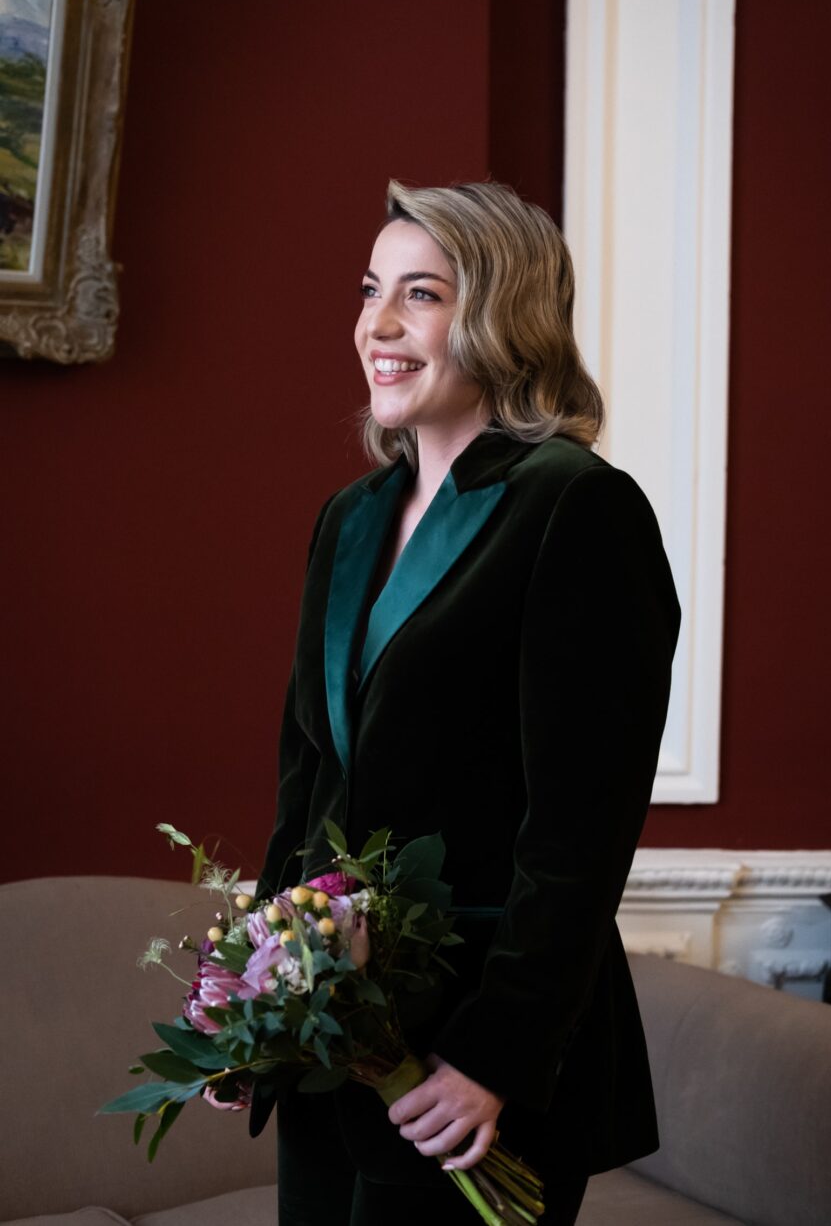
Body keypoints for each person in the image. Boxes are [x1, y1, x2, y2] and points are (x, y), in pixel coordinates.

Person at [250, 180, 681, 1226]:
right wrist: (262, 1009)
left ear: (502, 316)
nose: (378, 325)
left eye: (422, 295)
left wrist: (497, 1054)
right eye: (370, 290)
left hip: (477, 1061)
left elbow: (579, 831)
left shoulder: (578, 507)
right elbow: (310, 780)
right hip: (332, 1048)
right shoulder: (349, 517)